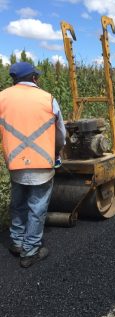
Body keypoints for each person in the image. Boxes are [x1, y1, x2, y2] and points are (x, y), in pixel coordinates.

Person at [0, 62, 66, 268]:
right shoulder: (48, 99)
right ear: (34, 78)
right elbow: (61, 134)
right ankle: (30, 251)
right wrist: (56, 152)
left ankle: (17, 242)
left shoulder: (2, 97)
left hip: (15, 164)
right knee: (37, 207)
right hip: (42, 165)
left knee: (18, 203)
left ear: (14, 79)